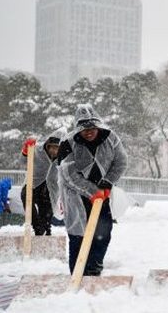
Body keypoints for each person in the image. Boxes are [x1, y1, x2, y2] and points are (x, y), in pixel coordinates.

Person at [57, 104, 127, 275]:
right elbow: (69, 175)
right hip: (75, 194)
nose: (89, 132)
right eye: (84, 129)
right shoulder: (67, 143)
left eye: (92, 128)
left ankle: (93, 267)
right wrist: (91, 191)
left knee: (103, 232)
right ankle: (78, 273)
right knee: (78, 235)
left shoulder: (110, 138)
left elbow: (121, 162)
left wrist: (108, 182)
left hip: (102, 192)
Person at [19, 128, 67, 236]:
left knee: (45, 216)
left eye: (57, 148)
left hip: (50, 189)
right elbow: (22, 162)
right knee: (26, 197)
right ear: (48, 144)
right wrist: (26, 150)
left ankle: (44, 230)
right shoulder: (37, 150)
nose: (54, 151)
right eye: (52, 147)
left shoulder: (65, 157)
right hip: (34, 184)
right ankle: (35, 226)